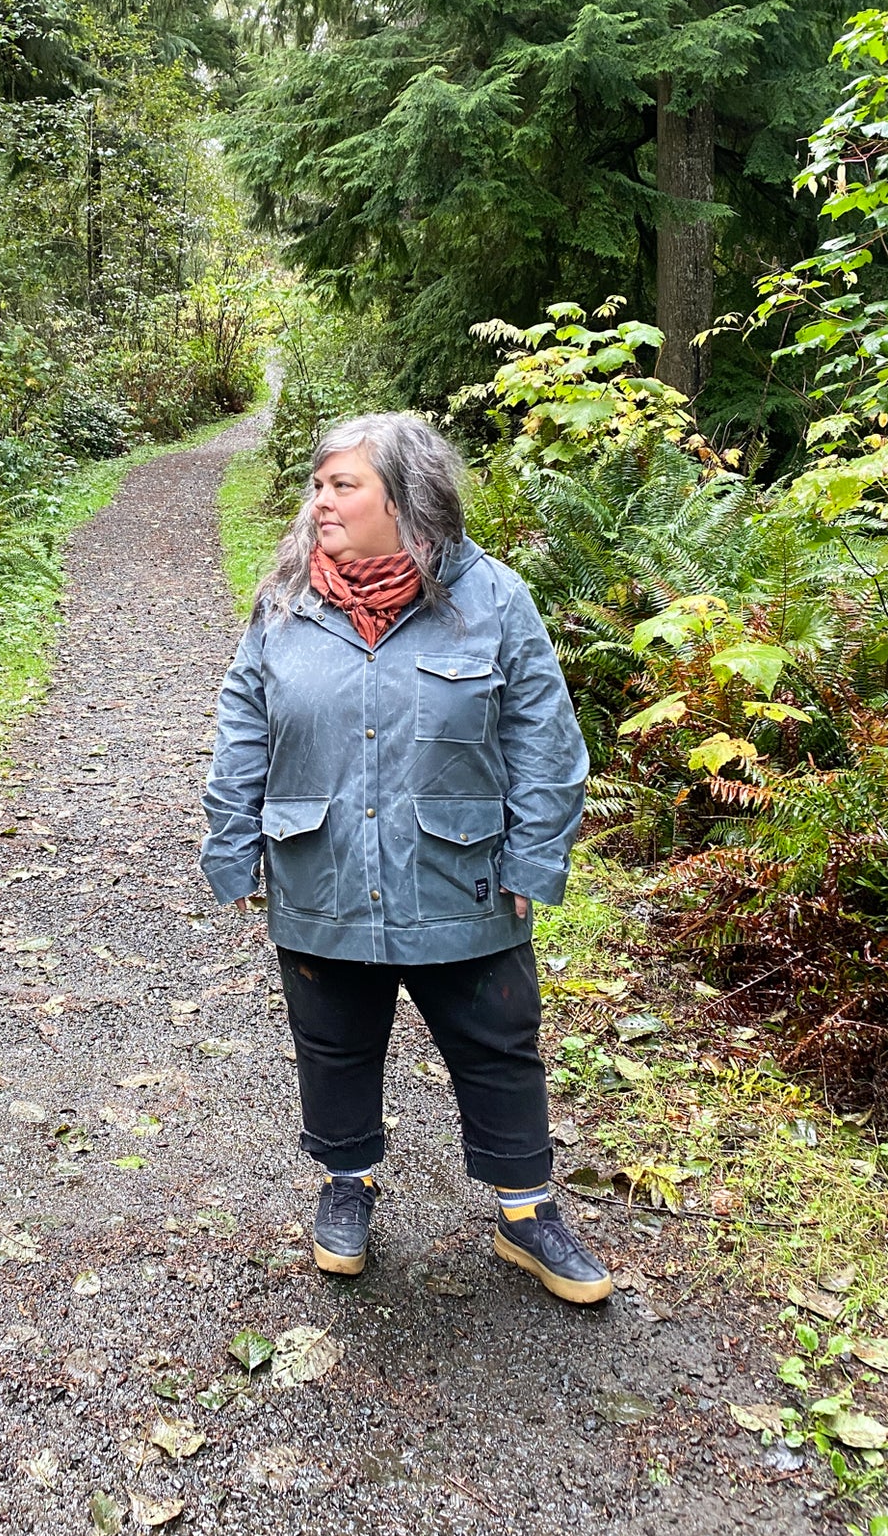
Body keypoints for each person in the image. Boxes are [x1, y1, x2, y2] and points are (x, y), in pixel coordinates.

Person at [200, 412, 610, 1303]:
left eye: (342, 485)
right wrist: (230, 841)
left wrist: (531, 864)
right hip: (320, 866)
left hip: (463, 877)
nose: (321, 500)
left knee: (498, 1041)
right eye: (318, 485)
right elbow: (241, 724)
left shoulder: (491, 598)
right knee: (333, 1040)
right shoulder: (284, 602)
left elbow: (545, 741)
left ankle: (526, 1212)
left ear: (407, 496)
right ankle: (346, 1184)